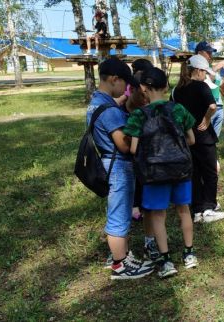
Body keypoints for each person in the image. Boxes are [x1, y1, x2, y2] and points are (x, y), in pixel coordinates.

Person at [125, 67, 198, 278]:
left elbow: (133, 149)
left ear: (143, 89)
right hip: (181, 169)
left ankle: (166, 261)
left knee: (158, 215)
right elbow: (192, 140)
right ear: (166, 86)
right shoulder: (179, 110)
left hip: (154, 172)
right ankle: (189, 253)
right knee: (183, 209)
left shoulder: (139, 115)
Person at [86, 58, 154, 280]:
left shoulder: (96, 101)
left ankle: (122, 255)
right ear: (114, 79)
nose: (125, 89)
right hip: (118, 167)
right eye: (124, 84)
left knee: (121, 212)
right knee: (118, 216)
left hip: (109, 163)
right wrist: (136, 132)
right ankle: (119, 265)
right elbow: (124, 145)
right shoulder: (109, 110)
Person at [172, 55, 224, 223]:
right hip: (204, 137)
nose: (206, 75)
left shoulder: (177, 90)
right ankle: (209, 208)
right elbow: (212, 106)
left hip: (186, 138)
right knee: (210, 172)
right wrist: (207, 119)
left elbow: (173, 111)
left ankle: (197, 210)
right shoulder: (201, 86)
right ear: (198, 70)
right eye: (204, 72)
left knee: (194, 173)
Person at [123, 58, 162, 262]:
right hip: (132, 166)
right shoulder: (125, 110)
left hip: (149, 164)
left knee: (148, 207)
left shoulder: (151, 108)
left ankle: (149, 241)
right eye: (142, 92)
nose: (146, 97)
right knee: (128, 206)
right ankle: (123, 249)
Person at [194, 41, 224, 140]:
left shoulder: (210, 69)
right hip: (207, 108)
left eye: (211, 53)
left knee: (214, 139)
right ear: (200, 53)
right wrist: (216, 67)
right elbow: (204, 81)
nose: (210, 55)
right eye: (208, 52)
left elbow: (222, 85)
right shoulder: (195, 69)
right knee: (204, 138)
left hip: (218, 106)